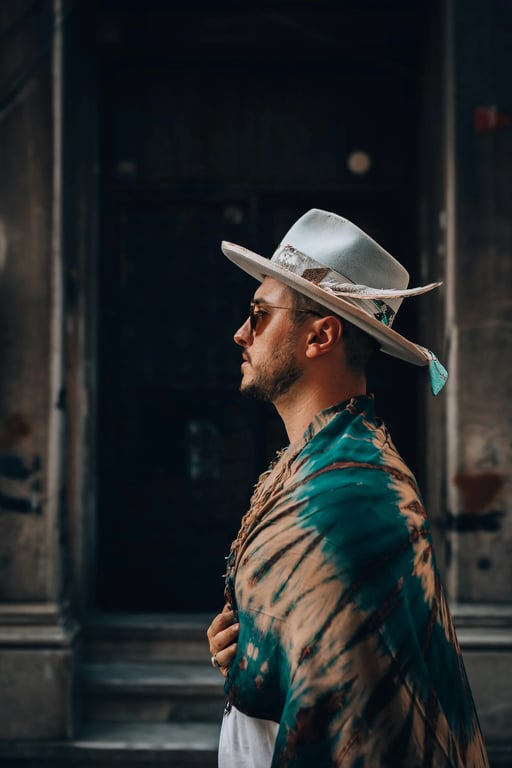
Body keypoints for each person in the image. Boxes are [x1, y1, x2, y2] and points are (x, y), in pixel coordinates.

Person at [207, 209, 488, 767]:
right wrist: (249, 653)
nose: (241, 332)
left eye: (260, 314)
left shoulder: (351, 491)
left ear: (321, 335)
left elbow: (356, 719)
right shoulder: (318, 461)